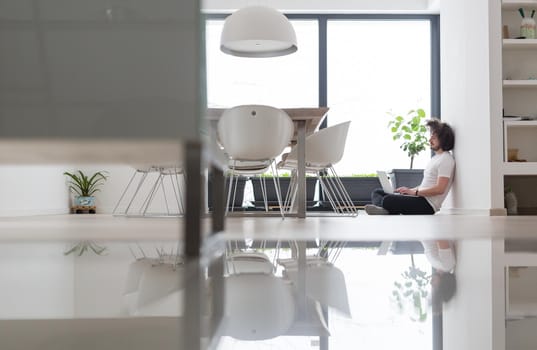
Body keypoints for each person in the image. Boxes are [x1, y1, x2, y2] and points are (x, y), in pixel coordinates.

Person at [365, 118, 455, 215]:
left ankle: (385, 208)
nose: (429, 140)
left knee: (388, 199)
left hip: (427, 205)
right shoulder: (435, 158)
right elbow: (424, 186)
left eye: (433, 137)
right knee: (377, 192)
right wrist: (409, 190)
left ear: (442, 139)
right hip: (419, 197)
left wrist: (414, 193)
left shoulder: (446, 159)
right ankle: (386, 209)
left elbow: (440, 189)